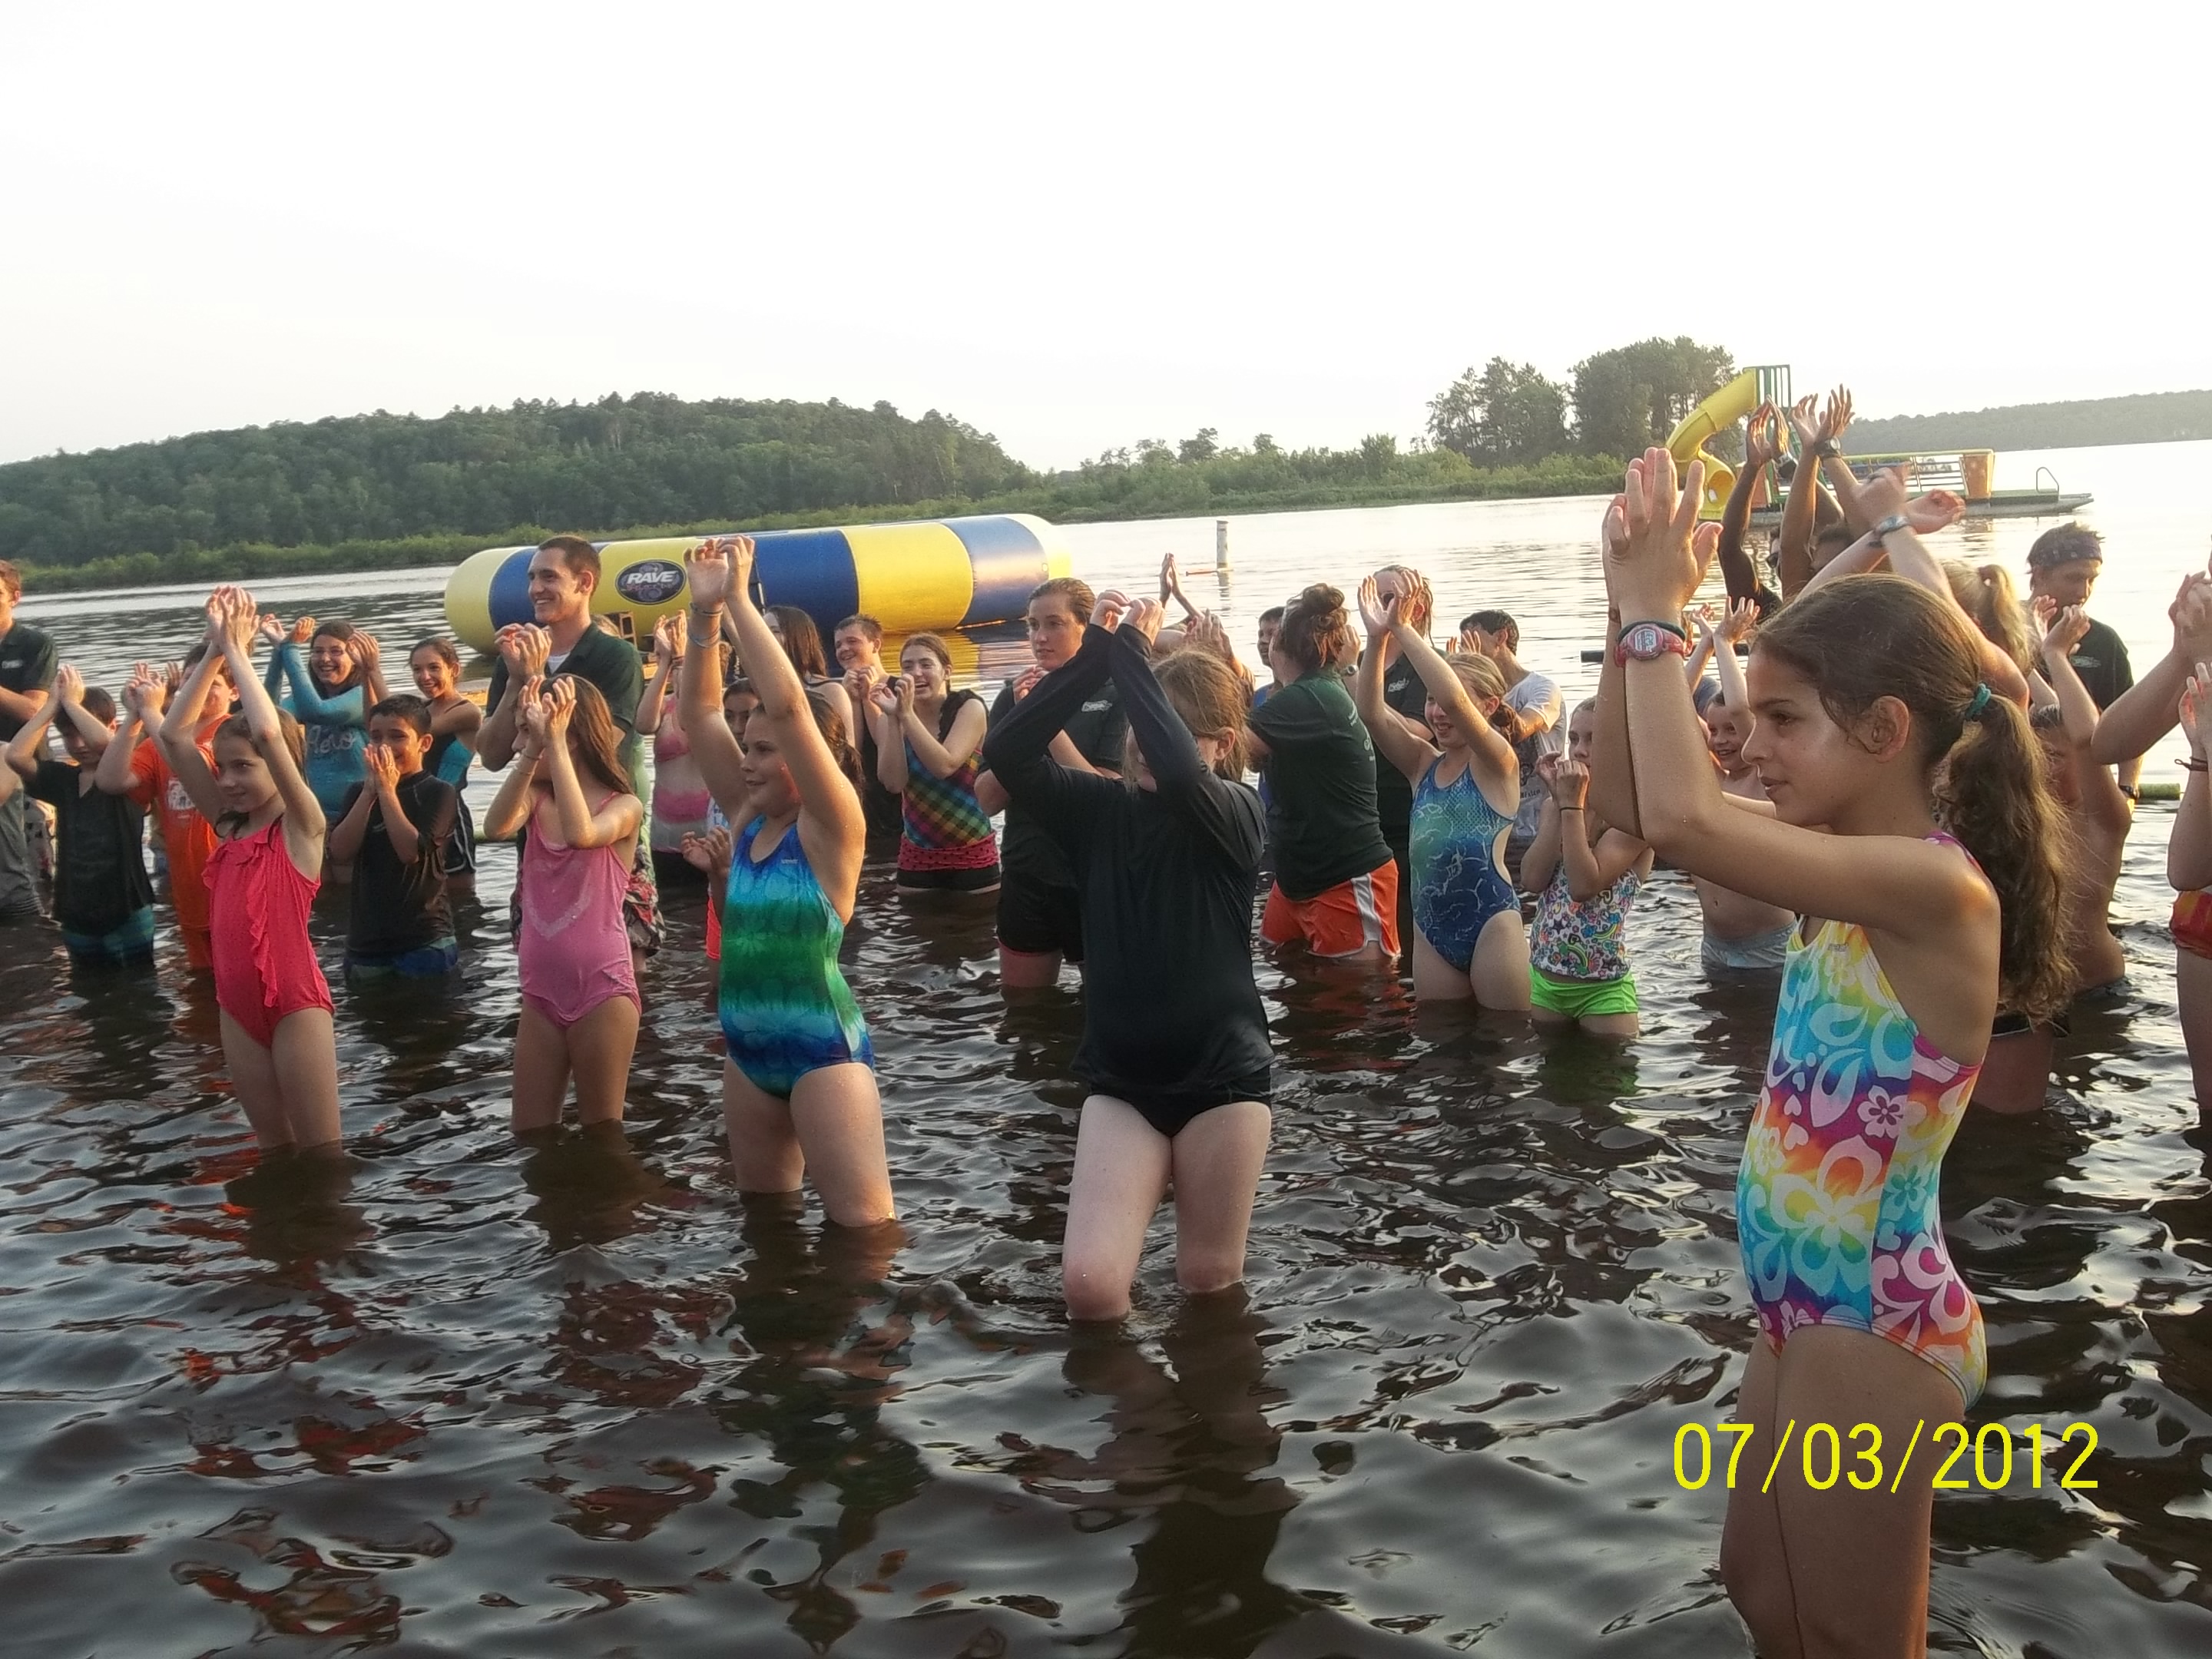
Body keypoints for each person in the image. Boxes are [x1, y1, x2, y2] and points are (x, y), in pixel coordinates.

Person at [1593, 448, 2067, 1659]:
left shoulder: (1934, 891)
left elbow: (1686, 814)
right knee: (1766, 1595)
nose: (1750, 747)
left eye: (1782, 721)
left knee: (1858, 1642)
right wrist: (1620, 613)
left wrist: (1657, 615)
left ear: (1885, 729)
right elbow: (1638, 810)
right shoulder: (1839, 867)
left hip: (1876, 1320)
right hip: (1798, 1308)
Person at [981, 596, 1270, 1318]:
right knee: (1090, 1288)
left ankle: (1209, 1391)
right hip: (1122, 1082)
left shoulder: (1238, 814)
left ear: (1221, 743)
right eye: (1137, 724)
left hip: (1222, 1084)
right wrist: (1095, 659)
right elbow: (1009, 753)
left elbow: (1179, 775)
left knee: (1207, 1285)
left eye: (1166, 727)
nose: (1144, 741)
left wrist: (1135, 654)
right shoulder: (1098, 810)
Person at [680, 535, 893, 1227]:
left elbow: (795, 710)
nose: (746, 760)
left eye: (764, 750)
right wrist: (705, 615)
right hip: (748, 1055)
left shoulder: (832, 828)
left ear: (811, 760)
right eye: (747, 747)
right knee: (767, 1227)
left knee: (862, 1239)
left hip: (822, 1054)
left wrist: (740, 599)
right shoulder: (747, 819)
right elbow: (698, 715)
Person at [159, 587, 343, 1163]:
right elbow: (173, 736)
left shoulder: (302, 826)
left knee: (322, 1158)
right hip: (235, 1006)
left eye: (242, 768)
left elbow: (268, 733)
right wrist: (215, 649)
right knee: (275, 1153)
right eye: (222, 768)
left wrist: (240, 651)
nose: (228, 780)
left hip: (295, 1004)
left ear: (281, 766)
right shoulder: (228, 826)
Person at [1977, 604, 2134, 1113]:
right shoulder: (2021, 820)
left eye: (2056, 759)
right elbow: (2025, 712)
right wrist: (2023, 654)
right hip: (2036, 998)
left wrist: (2055, 655)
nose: (2044, 767)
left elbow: (2086, 737)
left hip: (2095, 994)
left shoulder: (2103, 820)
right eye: (2037, 757)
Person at [475, 535, 658, 960]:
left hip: (604, 829)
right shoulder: (512, 661)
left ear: (584, 583)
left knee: (622, 958)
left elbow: (598, 748)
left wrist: (535, 678)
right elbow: (493, 756)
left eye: (549, 577)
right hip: (536, 831)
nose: (535, 589)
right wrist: (517, 680)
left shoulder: (615, 656)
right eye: (531, 578)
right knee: (542, 958)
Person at [1353, 574, 1528, 1008]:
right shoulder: (1422, 765)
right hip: (1432, 929)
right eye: (1428, 701)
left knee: (1505, 1040)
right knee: (1439, 1040)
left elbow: (1455, 703)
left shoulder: (1498, 763)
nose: (1436, 712)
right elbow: (1371, 713)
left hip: (1491, 922)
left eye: (1442, 701)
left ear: (1489, 706)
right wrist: (1377, 640)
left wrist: (1404, 629)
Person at [484, 674, 644, 1137]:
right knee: (529, 1135)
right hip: (540, 994)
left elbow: (582, 835)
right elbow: (495, 828)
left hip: (602, 990)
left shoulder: (624, 805)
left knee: (602, 1136)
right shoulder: (536, 800)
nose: (517, 744)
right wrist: (535, 750)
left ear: (569, 737)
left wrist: (551, 742)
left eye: (526, 732)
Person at [976, 578, 1128, 987]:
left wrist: (1042, 724)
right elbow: (987, 801)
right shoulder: (1012, 696)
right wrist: (1020, 719)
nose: (1040, 637)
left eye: (1054, 624)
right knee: (1024, 1008)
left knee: (1105, 1001)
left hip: (1092, 876)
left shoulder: (1117, 694)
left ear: (1087, 628)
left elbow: (1109, 793)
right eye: (1032, 625)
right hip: (1027, 873)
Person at [1248, 584, 1398, 966]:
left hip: (1345, 877)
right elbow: (1247, 755)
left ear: (1279, 645)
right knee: (1282, 965)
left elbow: (1227, 749)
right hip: (1297, 879)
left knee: (1360, 995)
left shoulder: (1309, 697)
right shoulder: (1309, 693)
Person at [5, 667, 155, 967]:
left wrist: (72, 704)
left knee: (139, 985)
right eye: (68, 736)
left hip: (127, 906)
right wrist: (51, 706)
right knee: (86, 985)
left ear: (112, 726)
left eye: (83, 732)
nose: (78, 744)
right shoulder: (64, 780)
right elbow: (15, 756)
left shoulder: (128, 778)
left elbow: (106, 745)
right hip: (75, 910)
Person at [1518, 702, 1652, 1037]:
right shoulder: (1556, 808)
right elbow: (1532, 880)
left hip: (1603, 989)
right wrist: (1558, 805)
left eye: (1594, 740)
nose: (1579, 750)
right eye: (1574, 739)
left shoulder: (1632, 820)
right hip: (1546, 979)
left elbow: (1583, 885)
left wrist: (1571, 807)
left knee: (1606, 1069)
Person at [98, 654, 226, 969]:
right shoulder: (157, 744)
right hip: (189, 891)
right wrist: (135, 716)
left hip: (230, 887)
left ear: (234, 692)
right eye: (192, 680)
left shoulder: (231, 733)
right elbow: (111, 780)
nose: (201, 687)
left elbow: (189, 761)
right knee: (203, 984)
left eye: (212, 682)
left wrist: (152, 711)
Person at [1687, 608, 1796, 973]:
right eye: (1713, 731)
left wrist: (1724, 642)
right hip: (1714, 945)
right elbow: (1673, 705)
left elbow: (1739, 707)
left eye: (1731, 731)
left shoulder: (1764, 780)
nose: (1720, 740)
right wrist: (1703, 646)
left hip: (1769, 947)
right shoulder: (1711, 779)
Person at [327, 694, 460, 980]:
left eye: (397, 737)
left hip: (424, 940)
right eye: (376, 737)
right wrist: (369, 792)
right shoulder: (357, 792)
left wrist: (387, 791)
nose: (384, 746)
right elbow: (339, 853)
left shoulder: (438, 792)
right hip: (366, 943)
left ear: (424, 743)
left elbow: (411, 853)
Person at [872, 632, 999, 897]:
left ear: (947, 672)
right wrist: (894, 720)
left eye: (926, 664)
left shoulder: (969, 708)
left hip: (972, 849)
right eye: (908, 666)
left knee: (979, 923)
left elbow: (945, 766)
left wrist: (906, 715)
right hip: (918, 853)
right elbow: (893, 783)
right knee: (916, 921)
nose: (916, 673)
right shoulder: (892, 718)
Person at [2028, 522, 2137, 794]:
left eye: (2091, 580)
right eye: (2074, 578)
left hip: (2082, 789)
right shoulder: (2000, 631)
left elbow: (2130, 725)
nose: (2084, 591)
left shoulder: (2103, 641)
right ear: (2040, 574)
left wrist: (2127, 789)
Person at [1457, 608, 1563, 877]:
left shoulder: (1542, 688)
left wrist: (1478, 680)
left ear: (1500, 637)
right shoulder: (1473, 694)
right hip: (1497, 827)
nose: (1466, 648)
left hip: (1540, 827)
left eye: (1472, 638)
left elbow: (1518, 730)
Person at [260, 614, 386, 820]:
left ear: (354, 659)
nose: (325, 659)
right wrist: (279, 651)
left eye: (336, 651)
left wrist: (290, 648)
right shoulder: (307, 699)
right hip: (315, 815)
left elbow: (319, 712)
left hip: (359, 815)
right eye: (317, 652)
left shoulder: (362, 695)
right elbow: (269, 715)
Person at [634, 616, 714, 884]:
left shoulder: (713, 704)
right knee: (672, 903)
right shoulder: (663, 704)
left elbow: (692, 713)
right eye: (659, 654)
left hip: (707, 831)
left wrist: (680, 658)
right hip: (666, 833)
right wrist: (665, 663)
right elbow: (644, 725)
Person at [0, 559, 57, 923]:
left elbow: (35, 710)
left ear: (14, 597)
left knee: (39, 882)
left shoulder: (35, 644)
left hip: (27, 772)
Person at [409, 637, 481, 885]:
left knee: (459, 896)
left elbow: (411, 734)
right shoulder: (419, 709)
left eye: (434, 668)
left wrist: (374, 671)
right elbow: (386, 723)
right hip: (414, 809)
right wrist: (369, 673)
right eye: (417, 670)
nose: (425, 677)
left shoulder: (467, 712)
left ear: (454, 669)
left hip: (450, 813)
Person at [833, 613, 904, 858]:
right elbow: (849, 748)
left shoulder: (901, 688)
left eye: (852, 641)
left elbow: (885, 743)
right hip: (862, 796)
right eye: (838, 645)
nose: (844, 649)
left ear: (876, 645)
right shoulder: (838, 693)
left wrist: (868, 697)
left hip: (895, 795)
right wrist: (851, 700)